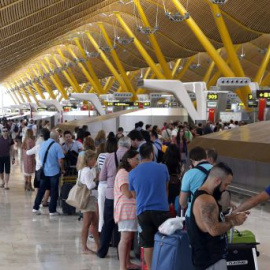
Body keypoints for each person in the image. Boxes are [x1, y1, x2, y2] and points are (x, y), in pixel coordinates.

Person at [189, 162, 248, 270]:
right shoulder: (206, 200)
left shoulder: (206, 197)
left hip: (211, 259)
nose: (225, 188)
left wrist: (232, 217)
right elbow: (214, 229)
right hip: (210, 261)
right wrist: (233, 222)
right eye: (226, 184)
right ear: (217, 181)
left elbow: (213, 222)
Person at [129, 142, 170, 269]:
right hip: (161, 209)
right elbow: (166, 188)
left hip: (143, 211)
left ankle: (151, 267)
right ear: (152, 154)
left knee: (147, 243)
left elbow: (134, 194)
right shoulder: (162, 168)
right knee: (164, 241)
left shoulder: (132, 173)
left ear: (140, 156)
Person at [97, 136, 131, 258]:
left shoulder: (109, 157)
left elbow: (102, 177)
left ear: (118, 145)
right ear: (129, 145)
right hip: (125, 196)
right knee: (120, 226)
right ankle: (120, 254)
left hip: (110, 195)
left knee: (107, 224)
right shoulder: (131, 157)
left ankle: (102, 252)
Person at [114, 150, 140, 270]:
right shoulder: (123, 173)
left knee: (129, 238)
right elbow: (127, 193)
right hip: (125, 209)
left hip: (131, 209)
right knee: (125, 238)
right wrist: (136, 193)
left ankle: (127, 263)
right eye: (136, 159)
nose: (138, 162)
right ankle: (122, 266)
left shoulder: (129, 172)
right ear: (128, 159)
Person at [32, 128, 65, 216]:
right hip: (54, 172)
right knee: (53, 191)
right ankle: (52, 210)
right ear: (57, 137)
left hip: (44, 171)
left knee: (41, 190)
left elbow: (39, 156)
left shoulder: (43, 144)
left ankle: (35, 207)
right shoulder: (57, 146)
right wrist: (62, 169)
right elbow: (61, 160)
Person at [180, 146, 212, 228]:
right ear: (206, 157)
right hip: (213, 215)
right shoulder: (218, 170)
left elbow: (182, 202)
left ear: (191, 161)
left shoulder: (189, 174)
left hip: (194, 216)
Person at [78, 150, 100, 254]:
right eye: (94, 159)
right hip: (88, 199)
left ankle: (98, 245)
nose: (95, 161)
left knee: (94, 222)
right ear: (89, 160)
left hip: (89, 198)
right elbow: (90, 186)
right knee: (87, 223)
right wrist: (96, 180)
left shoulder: (82, 170)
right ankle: (84, 247)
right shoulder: (87, 171)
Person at [97, 137, 118, 232]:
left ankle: (102, 232)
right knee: (113, 212)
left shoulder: (101, 155)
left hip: (102, 185)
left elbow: (98, 171)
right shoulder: (117, 156)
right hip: (114, 186)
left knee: (102, 212)